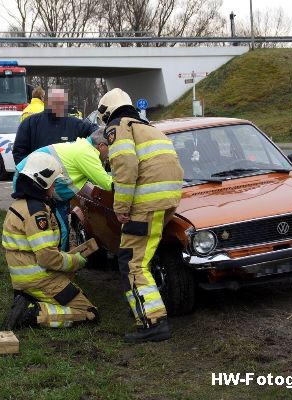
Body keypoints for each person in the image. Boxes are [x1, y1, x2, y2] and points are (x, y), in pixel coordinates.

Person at [96, 88, 184, 343]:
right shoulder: (148, 127)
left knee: (133, 263)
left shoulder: (118, 127)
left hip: (144, 205)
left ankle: (152, 322)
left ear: (106, 112)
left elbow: (125, 167)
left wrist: (121, 208)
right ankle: (144, 305)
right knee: (142, 259)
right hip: (166, 201)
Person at [2, 152, 98, 329]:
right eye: (54, 183)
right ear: (43, 183)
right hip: (40, 278)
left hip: (28, 277)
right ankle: (32, 314)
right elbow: (47, 258)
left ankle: (28, 300)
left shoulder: (21, 204)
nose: (55, 188)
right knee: (89, 312)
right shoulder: (37, 212)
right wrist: (75, 261)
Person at [14, 128, 112, 250]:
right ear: (101, 145)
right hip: (31, 183)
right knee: (56, 230)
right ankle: (57, 261)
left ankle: (56, 258)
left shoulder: (83, 148)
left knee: (53, 229)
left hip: (34, 181)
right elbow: (108, 183)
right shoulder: (86, 153)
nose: (111, 153)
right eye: (112, 148)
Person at [12, 86, 97, 165]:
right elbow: (19, 151)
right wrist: (29, 171)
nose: (59, 105)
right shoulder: (30, 123)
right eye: (56, 102)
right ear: (46, 102)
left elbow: (94, 131)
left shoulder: (75, 124)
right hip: (38, 177)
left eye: (62, 102)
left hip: (67, 178)